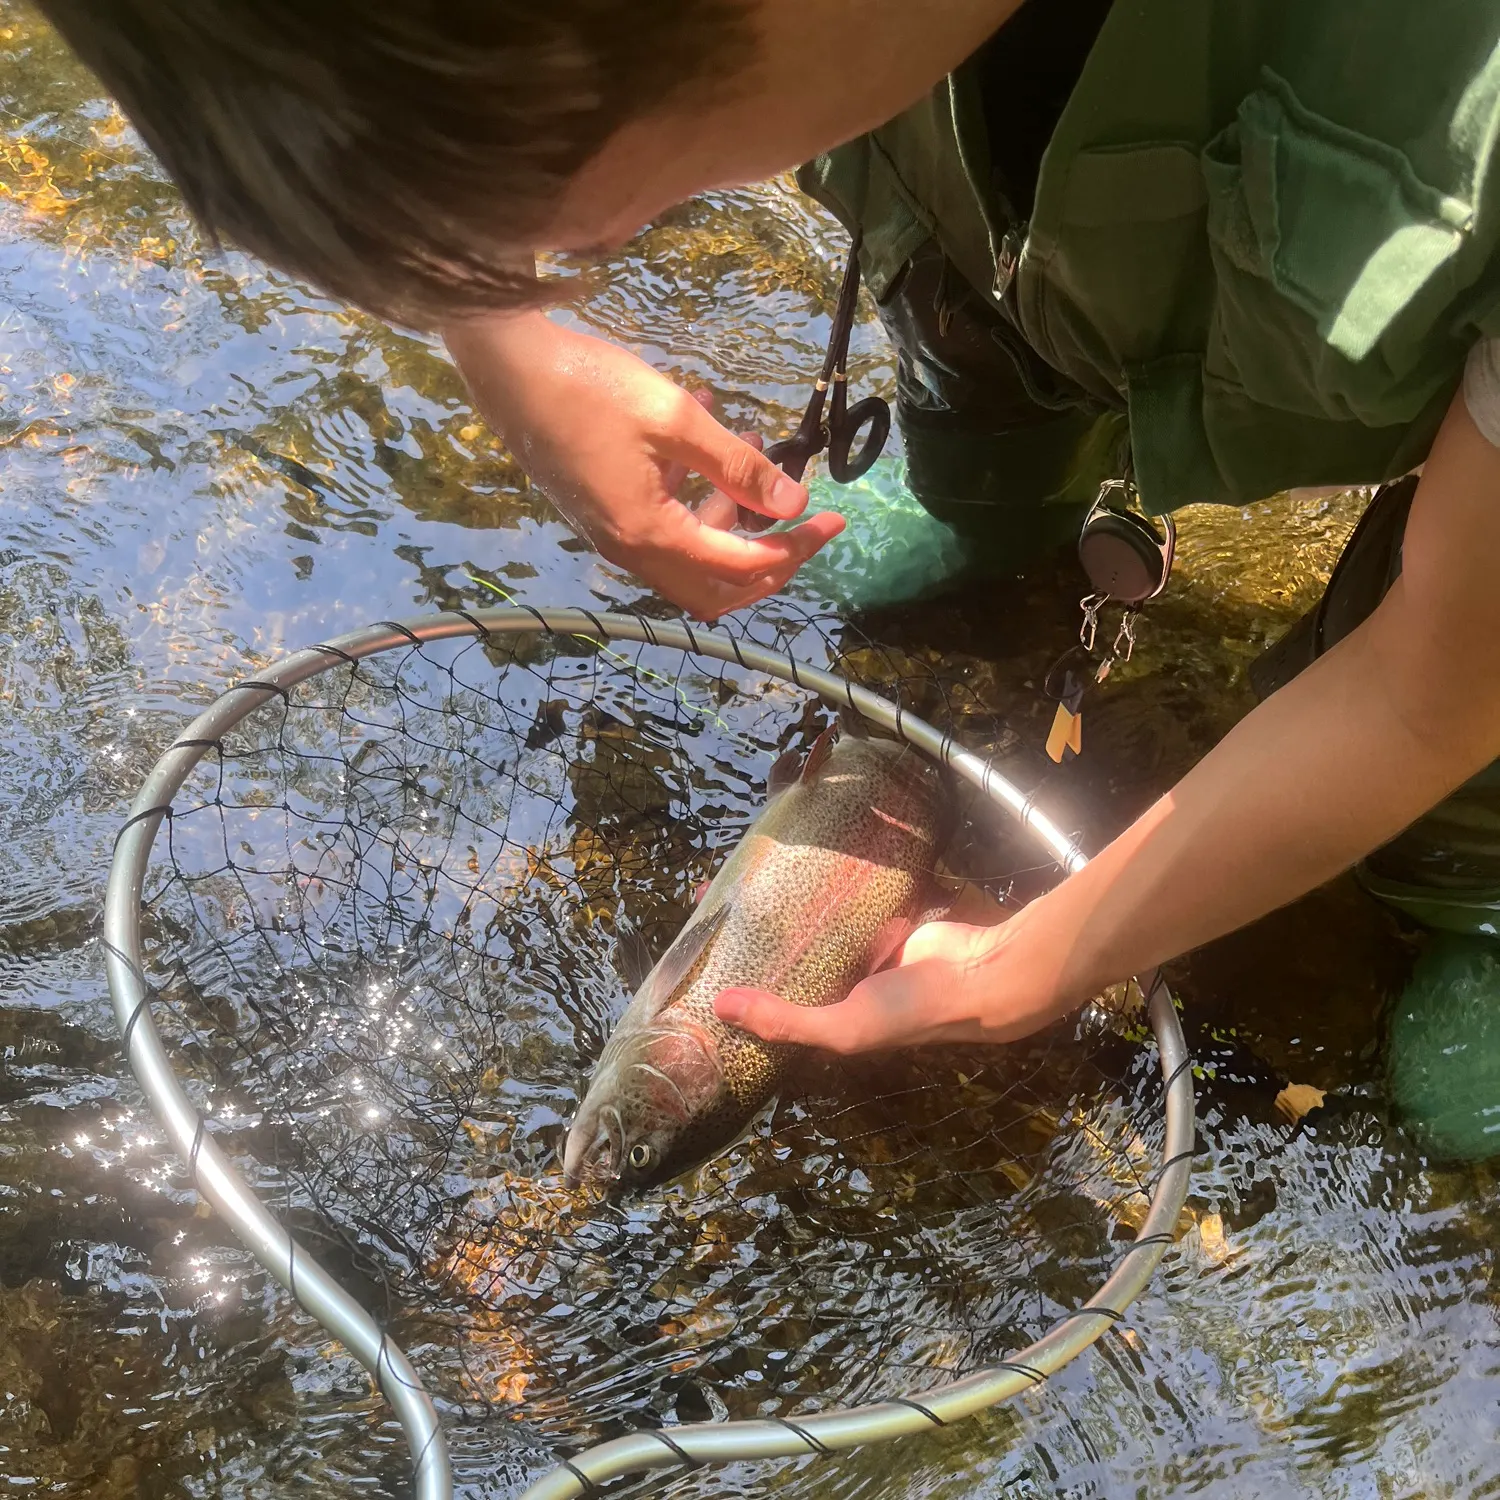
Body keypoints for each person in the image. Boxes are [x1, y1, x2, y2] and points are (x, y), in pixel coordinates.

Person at [33, 0, 1500, 1054]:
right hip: (1029, 211)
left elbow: (1433, 687)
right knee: (967, 255)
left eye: (572, 213)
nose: (588, 255)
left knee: (1452, 731)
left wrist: (1041, 961)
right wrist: (491, 318)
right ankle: (997, 481)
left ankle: (1470, 886)